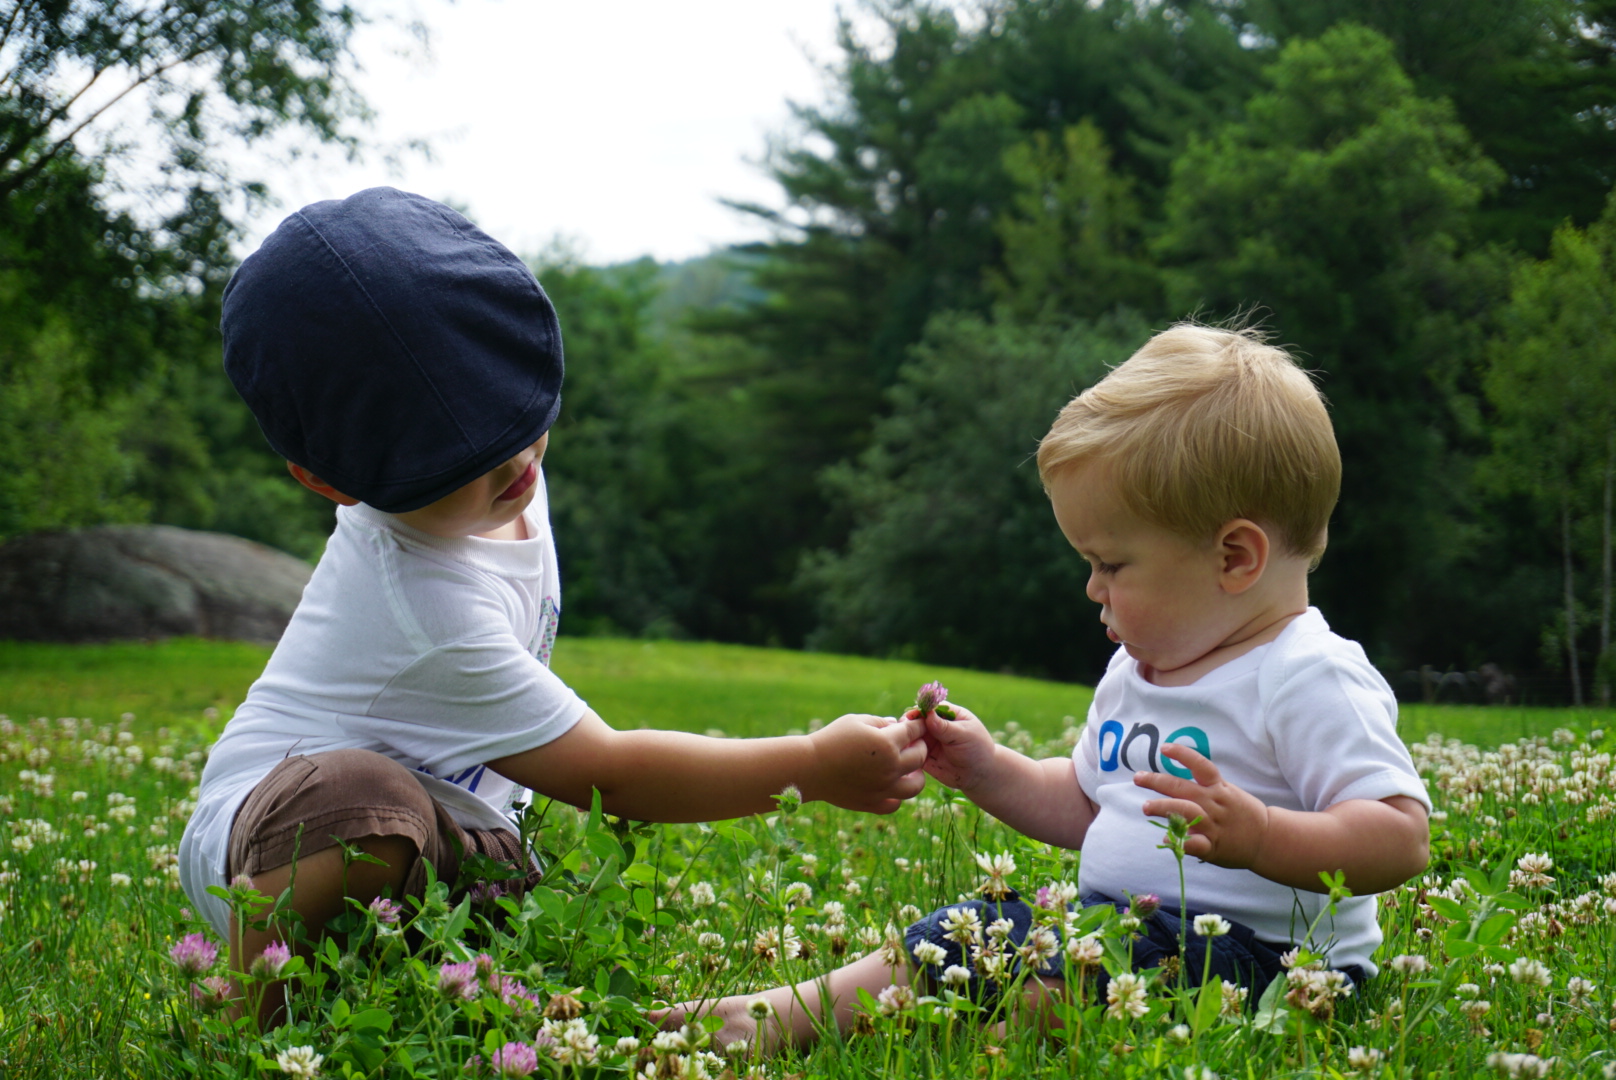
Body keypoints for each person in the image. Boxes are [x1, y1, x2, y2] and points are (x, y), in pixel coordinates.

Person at [176, 188, 928, 1001]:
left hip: (452, 838)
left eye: (515, 418)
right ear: (332, 483)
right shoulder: (421, 603)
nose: (513, 464)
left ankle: (410, 985)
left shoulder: (507, 480)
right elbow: (612, 774)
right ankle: (265, 1008)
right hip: (277, 837)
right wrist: (812, 766)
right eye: (454, 464)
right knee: (367, 801)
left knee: (521, 913)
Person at [669, 322, 1431, 1049]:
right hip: (1109, 930)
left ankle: (993, 1039)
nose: (1093, 588)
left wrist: (1263, 836)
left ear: (1234, 557)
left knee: (1057, 991)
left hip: (1265, 966)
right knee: (970, 931)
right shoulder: (1136, 670)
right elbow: (1088, 805)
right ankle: (776, 1016)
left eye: (1111, 564)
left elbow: (1400, 837)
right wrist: (989, 771)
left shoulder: (1306, 673)